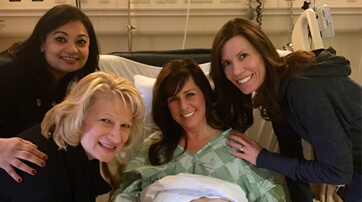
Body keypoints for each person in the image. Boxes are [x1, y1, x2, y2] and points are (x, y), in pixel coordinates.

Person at [209, 18, 361, 202]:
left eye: (243, 56)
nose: (237, 71)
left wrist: (263, 158)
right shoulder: (274, 92)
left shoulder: (303, 90)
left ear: (263, 52)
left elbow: (338, 172)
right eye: (227, 63)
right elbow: (291, 154)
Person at [110, 58, 285, 202]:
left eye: (190, 94)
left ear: (205, 95)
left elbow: (270, 196)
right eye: (173, 99)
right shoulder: (154, 148)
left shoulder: (237, 146)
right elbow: (124, 194)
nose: (183, 106)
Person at [0, 70, 145, 202]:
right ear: (78, 117)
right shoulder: (47, 176)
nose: (117, 138)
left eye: (125, 126)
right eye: (105, 121)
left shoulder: (72, 149)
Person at [0, 4, 100, 183]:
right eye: (61, 39)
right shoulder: (8, 71)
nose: (72, 49)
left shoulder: (66, 82)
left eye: (81, 42)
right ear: (42, 41)